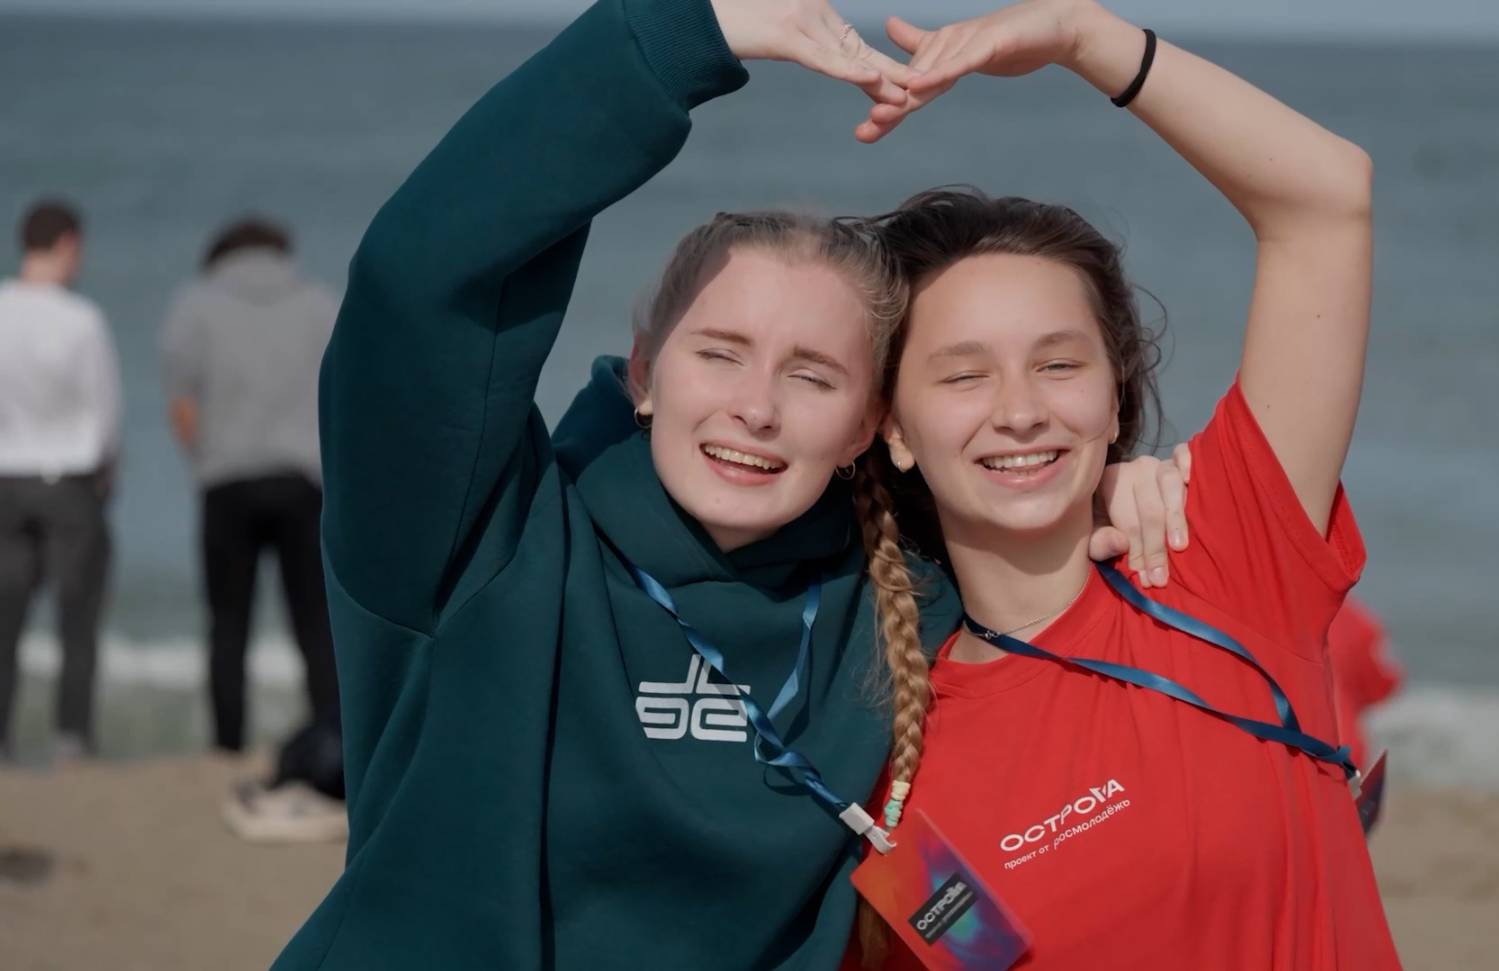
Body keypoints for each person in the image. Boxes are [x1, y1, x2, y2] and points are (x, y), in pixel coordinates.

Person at [271, 1, 1185, 967]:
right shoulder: (477, 545)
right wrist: (675, 37)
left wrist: (1100, 498)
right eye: (719, 353)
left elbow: (989, 868)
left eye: (812, 375)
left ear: (868, 422)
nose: (756, 407)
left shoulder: (905, 604)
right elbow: (418, 287)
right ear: (644, 372)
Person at [846, 2, 1399, 966]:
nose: (1020, 410)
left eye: (1058, 364)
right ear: (892, 426)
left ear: (1114, 395)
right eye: (963, 375)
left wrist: (1079, 35)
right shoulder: (903, 780)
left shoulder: (1224, 556)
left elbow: (1322, 199)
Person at [160, 216, 345, 840]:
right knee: (315, 625)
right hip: (302, 482)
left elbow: (182, 405)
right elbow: (343, 391)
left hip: (227, 482)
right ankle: (331, 733)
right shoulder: (318, 302)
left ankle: (227, 745)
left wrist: (205, 458)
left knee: (228, 622)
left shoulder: (193, 305)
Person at [0, 198, 121, 764]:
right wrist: (107, 477)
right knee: (77, 620)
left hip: (5, 481)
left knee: (4, 622)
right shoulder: (81, 320)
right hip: (69, 481)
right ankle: (71, 739)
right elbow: (105, 413)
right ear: (68, 244)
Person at [1327, 596, 1402, 760]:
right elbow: (1384, 682)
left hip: (1285, 745)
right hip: (1342, 745)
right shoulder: (1356, 621)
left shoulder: (1275, 612)